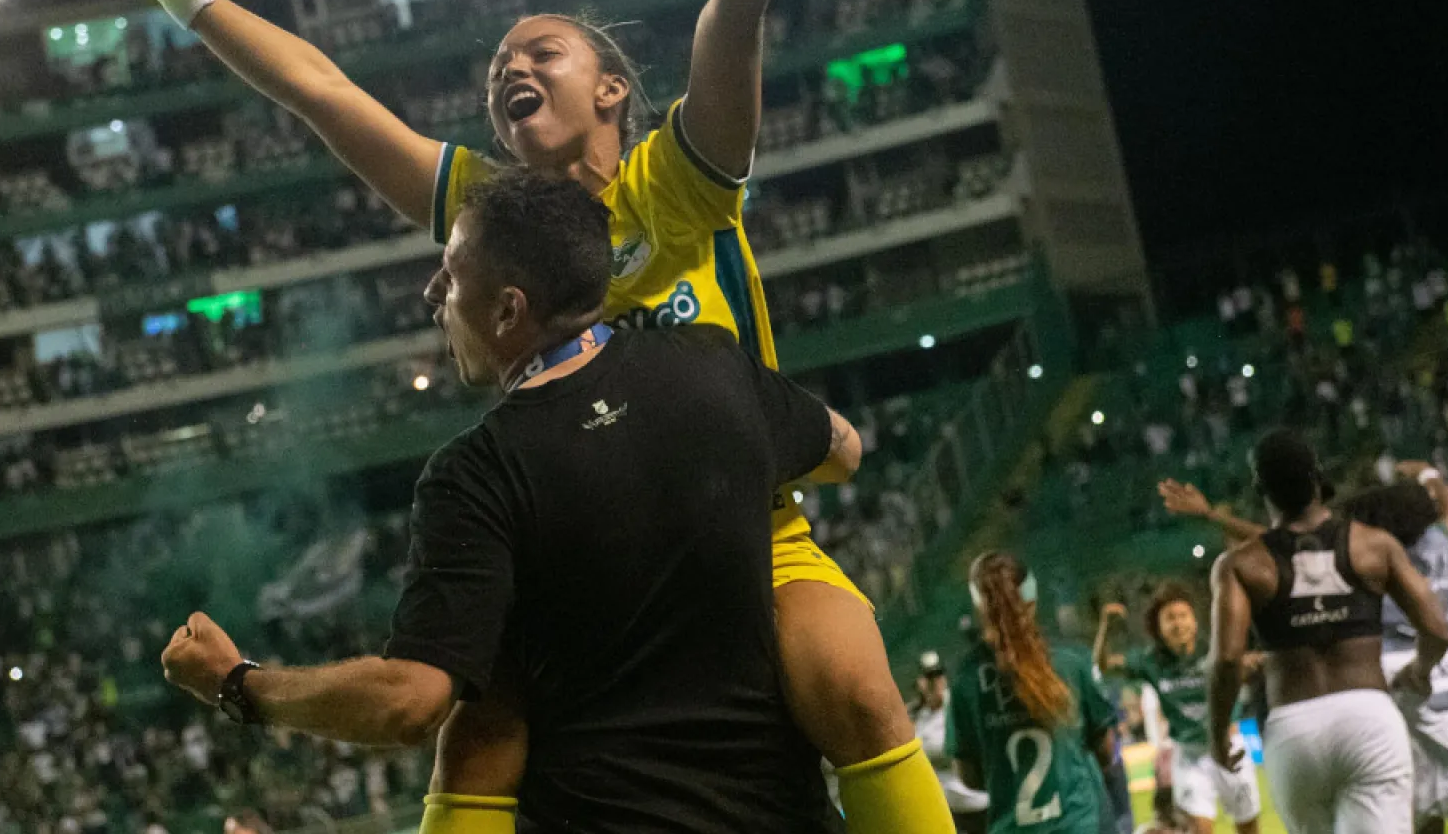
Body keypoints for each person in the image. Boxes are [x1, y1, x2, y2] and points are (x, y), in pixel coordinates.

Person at [80, 0, 931, 830]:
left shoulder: (677, 180)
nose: (508, 67)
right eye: (496, 66)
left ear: (613, 88)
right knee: (473, 743)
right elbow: (322, 93)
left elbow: (733, 15)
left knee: (853, 687)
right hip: (567, 552)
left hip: (740, 536)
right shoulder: (489, 218)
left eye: (542, 50)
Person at [158, 171, 954, 833]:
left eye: (452, 274)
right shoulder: (711, 366)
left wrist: (238, 685)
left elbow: (409, 705)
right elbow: (844, 450)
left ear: (508, 310)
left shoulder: (477, 475)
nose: (434, 292)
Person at [1206, 428, 1448, 834]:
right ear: (1318, 478)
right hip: (1368, 717)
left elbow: (1227, 659)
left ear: (1260, 488)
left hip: (1293, 730)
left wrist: (1218, 735)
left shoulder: (1241, 564)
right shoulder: (1373, 545)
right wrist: (1420, 670)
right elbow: (1438, 629)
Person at [1345, 481, 1448, 834]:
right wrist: (1430, 475)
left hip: (1425, 692)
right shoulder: (1440, 541)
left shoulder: (1374, 556)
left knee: (1426, 810)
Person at [946, 552, 1121, 834]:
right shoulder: (1071, 660)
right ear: (1032, 597)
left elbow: (969, 776)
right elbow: (1107, 751)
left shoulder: (966, 677)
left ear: (979, 605)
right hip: (1080, 824)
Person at [1093, 586, 1261, 834]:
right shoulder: (1151, 661)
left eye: (1183, 615)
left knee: (1248, 828)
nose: (1178, 623)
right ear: (1159, 627)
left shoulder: (1216, 649)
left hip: (1230, 748)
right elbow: (1103, 666)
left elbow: (1252, 661)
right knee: (1198, 830)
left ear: (1194, 621)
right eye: (1170, 618)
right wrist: (1106, 627)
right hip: (1190, 756)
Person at [912, 652, 990, 834]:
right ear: (920, 682)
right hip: (950, 813)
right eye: (929, 676)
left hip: (979, 808)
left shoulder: (956, 705)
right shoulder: (921, 717)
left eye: (938, 674)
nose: (935, 682)